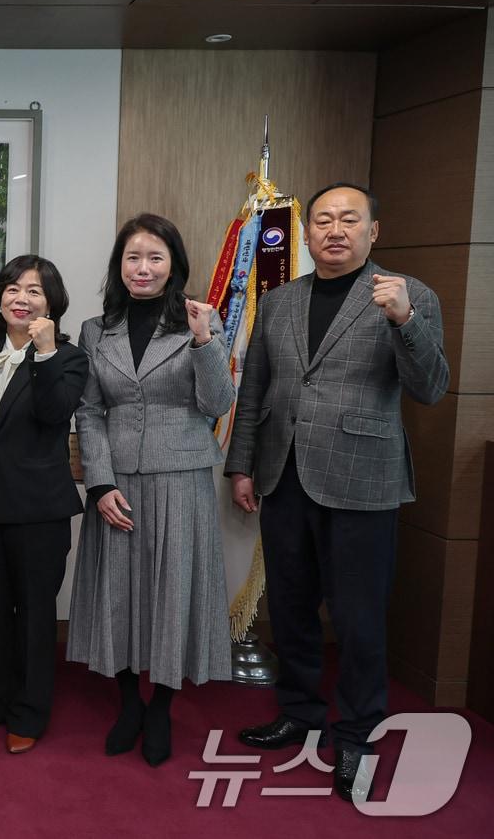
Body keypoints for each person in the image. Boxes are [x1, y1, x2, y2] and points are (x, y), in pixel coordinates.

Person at [226, 182, 448, 803]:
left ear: (373, 231)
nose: (335, 229)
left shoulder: (406, 295)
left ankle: (357, 735)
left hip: (363, 479)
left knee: (356, 617)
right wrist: (241, 465)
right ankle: (300, 711)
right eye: (323, 219)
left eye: (350, 219)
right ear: (307, 232)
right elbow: (256, 392)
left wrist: (403, 320)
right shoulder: (279, 301)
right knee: (291, 608)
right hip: (284, 474)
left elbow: (431, 387)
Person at [66, 213, 233, 767]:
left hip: (180, 480)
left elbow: (217, 403)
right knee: (116, 593)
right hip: (116, 482)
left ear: (173, 266)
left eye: (155, 258)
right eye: (133, 257)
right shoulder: (97, 329)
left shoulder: (199, 323)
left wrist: (207, 339)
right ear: (119, 265)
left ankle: (161, 704)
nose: (143, 268)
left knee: (170, 593)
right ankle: (127, 703)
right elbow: (90, 411)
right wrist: (100, 483)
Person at [0, 254, 87, 754]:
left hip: (39, 509)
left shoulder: (68, 358)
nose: (20, 299)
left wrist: (44, 354)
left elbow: (54, 415)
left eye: (34, 291)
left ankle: (31, 711)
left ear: (52, 303)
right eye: (12, 289)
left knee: (34, 613)